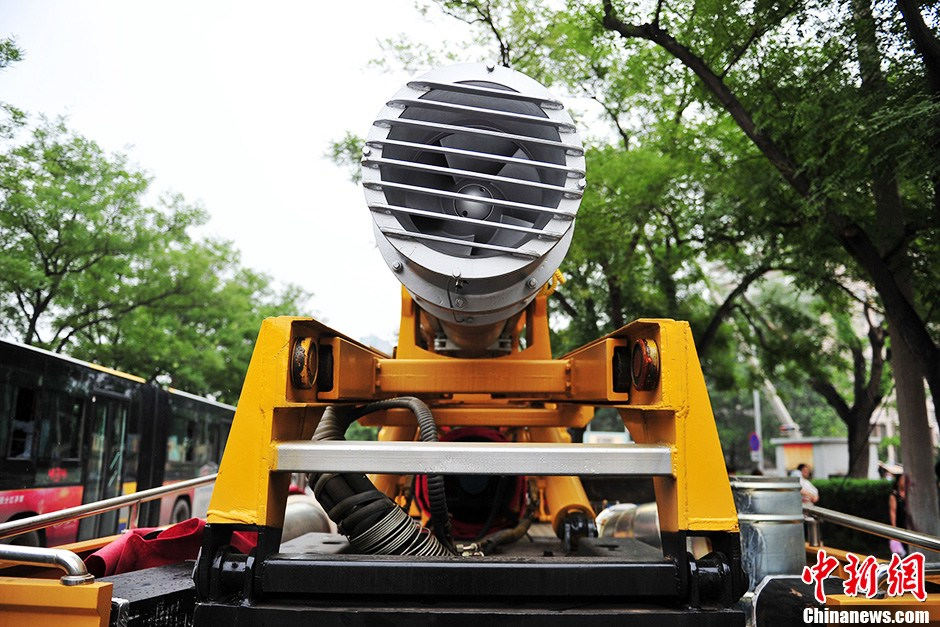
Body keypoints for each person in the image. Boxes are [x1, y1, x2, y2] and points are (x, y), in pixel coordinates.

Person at [888, 473, 908, 556]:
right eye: (902, 479)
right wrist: (894, 529)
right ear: (898, 481)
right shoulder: (894, 495)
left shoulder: (910, 494)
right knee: (900, 553)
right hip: (899, 525)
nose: (904, 482)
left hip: (908, 525)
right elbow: (892, 512)